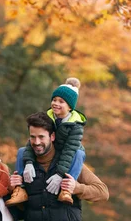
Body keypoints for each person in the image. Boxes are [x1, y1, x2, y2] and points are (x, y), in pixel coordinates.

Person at [7, 77, 86, 206]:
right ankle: (20, 189)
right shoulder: (48, 117)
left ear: (70, 107)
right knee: (22, 151)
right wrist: (28, 162)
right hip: (50, 149)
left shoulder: (76, 125)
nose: (56, 103)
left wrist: (60, 174)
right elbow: (34, 138)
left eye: (61, 101)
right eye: (54, 100)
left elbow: (69, 149)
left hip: (68, 152)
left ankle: (66, 190)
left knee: (79, 154)